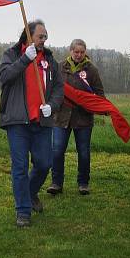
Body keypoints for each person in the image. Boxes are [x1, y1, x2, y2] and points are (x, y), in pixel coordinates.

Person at [0, 20, 64, 227]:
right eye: (40, 36)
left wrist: (52, 106)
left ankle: (29, 193)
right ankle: (23, 212)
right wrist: (24, 60)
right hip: (17, 121)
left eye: (46, 37)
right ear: (29, 36)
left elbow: (58, 89)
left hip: (41, 121)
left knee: (45, 163)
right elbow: (4, 76)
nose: (44, 40)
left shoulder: (49, 60)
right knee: (20, 167)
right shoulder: (11, 54)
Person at [46, 39, 104, 196]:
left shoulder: (91, 70)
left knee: (83, 152)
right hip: (61, 117)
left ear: (85, 52)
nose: (79, 55)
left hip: (83, 118)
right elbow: (51, 89)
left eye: (82, 52)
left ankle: (83, 184)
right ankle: (56, 183)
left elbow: (99, 94)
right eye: (76, 52)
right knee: (57, 151)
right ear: (70, 51)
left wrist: (91, 103)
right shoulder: (59, 67)